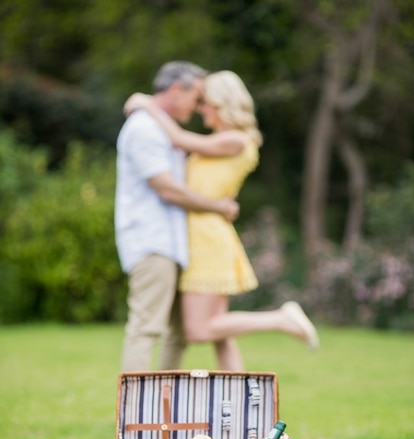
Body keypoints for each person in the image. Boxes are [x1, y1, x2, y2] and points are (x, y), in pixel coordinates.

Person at [125, 70, 319, 371]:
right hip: (202, 234)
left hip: (207, 238)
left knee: (200, 330)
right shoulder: (222, 141)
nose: (201, 108)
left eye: (205, 102)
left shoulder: (236, 141)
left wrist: (147, 105)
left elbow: (178, 138)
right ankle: (244, 411)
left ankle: (280, 319)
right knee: (221, 334)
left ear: (221, 104)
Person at [115, 61, 240, 372]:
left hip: (172, 246)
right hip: (151, 243)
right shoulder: (144, 128)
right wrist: (218, 207)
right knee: (146, 329)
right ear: (176, 90)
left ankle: (164, 415)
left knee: (178, 334)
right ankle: (136, 418)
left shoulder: (159, 128)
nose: (199, 106)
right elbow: (167, 189)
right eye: (196, 97)